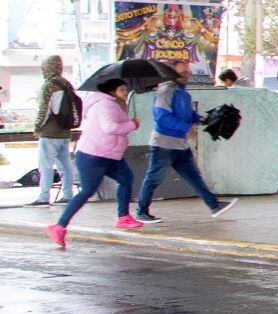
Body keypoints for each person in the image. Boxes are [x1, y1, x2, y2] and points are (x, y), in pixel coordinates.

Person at [47, 78, 142, 249]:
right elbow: (110, 127)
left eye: (125, 89)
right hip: (93, 156)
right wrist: (132, 124)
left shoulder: (113, 104)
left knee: (126, 178)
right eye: (121, 89)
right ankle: (59, 226)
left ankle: (123, 217)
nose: (125, 93)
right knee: (87, 191)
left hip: (110, 154)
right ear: (112, 91)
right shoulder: (105, 105)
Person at [134, 63, 234, 224]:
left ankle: (214, 205)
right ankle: (141, 211)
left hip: (180, 145)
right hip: (163, 144)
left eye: (188, 72)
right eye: (182, 73)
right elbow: (162, 117)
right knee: (153, 178)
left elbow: (188, 114)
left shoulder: (183, 94)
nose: (186, 75)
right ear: (172, 74)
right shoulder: (165, 91)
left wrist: (203, 119)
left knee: (193, 176)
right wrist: (186, 128)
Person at [30, 54, 80, 207]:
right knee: (64, 165)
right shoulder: (66, 84)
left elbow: (44, 110)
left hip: (50, 132)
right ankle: (68, 195)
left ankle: (44, 197)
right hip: (65, 132)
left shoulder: (49, 85)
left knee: (45, 165)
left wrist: (37, 126)